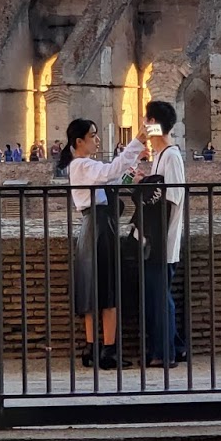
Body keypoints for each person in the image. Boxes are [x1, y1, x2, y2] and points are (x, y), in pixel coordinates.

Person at [62, 118, 146, 369]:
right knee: (108, 289)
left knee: (92, 288)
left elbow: (111, 181)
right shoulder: (82, 165)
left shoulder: (84, 167)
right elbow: (110, 172)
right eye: (93, 135)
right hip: (100, 228)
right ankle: (109, 351)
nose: (97, 140)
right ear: (79, 141)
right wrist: (137, 142)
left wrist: (132, 176)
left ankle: (92, 348)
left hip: (92, 228)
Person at [141, 99, 187, 367]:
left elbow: (172, 198)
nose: (144, 125)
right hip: (155, 239)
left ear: (154, 124)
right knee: (158, 294)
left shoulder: (171, 156)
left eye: (147, 120)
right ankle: (176, 347)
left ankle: (165, 353)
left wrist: (157, 238)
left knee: (161, 297)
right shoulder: (158, 156)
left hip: (163, 240)